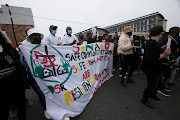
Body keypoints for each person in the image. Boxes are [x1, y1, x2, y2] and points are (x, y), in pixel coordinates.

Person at [20, 28, 52, 119]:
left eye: (38, 36)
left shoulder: (43, 45)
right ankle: (46, 109)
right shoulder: (24, 46)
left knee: (50, 91)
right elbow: (23, 63)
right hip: (33, 76)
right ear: (30, 37)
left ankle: (55, 108)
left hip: (46, 74)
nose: (37, 38)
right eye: (34, 36)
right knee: (41, 93)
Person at [141, 26, 171, 109]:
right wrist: (165, 54)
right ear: (159, 34)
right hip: (150, 68)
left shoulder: (153, 42)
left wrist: (162, 49)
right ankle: (144, 99)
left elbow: (154, 51)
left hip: (154, 67)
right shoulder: (151, 43)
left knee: (158, 82)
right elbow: (153, 57)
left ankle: (153, 95)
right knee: (151, 84)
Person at [0, 29, 26, 120]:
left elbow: (18, 62)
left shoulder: (9, 49)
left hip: (17, 84)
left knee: (21, 108)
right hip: (2, 89)